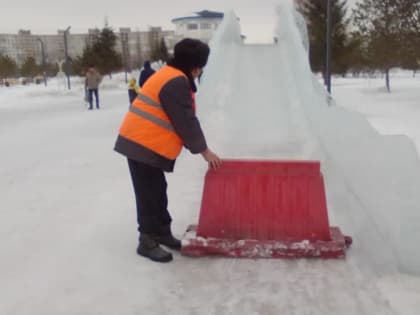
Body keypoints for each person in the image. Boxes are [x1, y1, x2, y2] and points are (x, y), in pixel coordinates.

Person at [114, 38, 222, 263]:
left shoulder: (171, 75)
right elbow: (185, 120)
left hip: (145, 143)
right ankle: (147, 240)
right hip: (141, 143)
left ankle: (162, 232)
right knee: (148, 193)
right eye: (201, 66)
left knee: (157, 189)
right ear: (195, 66)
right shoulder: (175, 81)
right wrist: (205, 151)